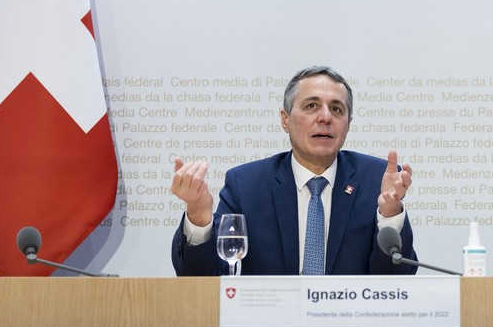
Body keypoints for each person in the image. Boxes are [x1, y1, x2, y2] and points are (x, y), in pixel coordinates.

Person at [170, 65, 418, 276]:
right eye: (311, 106)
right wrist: (199, 217)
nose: (325, 117)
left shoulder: (376, 180)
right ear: (285, 119)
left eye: (337, 109)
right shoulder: (246, 185)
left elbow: (397, 282)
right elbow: (203, 280)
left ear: (348, 125)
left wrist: (389, 216)